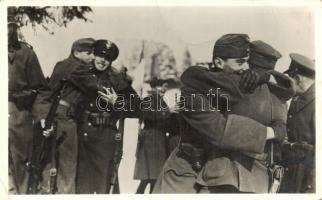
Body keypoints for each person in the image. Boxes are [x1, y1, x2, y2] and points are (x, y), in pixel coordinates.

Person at [153, 34, 294, 193]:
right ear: (219, 62)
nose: (246, 68)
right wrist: (272, 132)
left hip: (216, 172)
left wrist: (267, 76)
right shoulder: (193, 89)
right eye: (240, 62)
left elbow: (286, 87)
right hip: (186, 173)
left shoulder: (235, 84)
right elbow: (219, 129)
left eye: (248, 62)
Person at [68, 39, 141, 194]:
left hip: (105, 137)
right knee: (82, 185)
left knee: (103, 186)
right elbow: (86, 84)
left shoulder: (117, 79)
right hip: (84, 135)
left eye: (108, 58)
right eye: (100, 56)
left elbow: (137, 107)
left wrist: (117, 102)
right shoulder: (81, 72)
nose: (103, 61)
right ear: (94, 55)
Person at [33, 38, 95, 194]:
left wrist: (43, 117)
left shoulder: (61, 65)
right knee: (68, 165)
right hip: (67, 119)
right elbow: (96, 87)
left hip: (54, 116)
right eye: (89, 53)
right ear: (76, 52)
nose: (93, 57)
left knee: (50, 163)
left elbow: (47, 93)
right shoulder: (79, 68)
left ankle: (45, 193)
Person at [8, 12, 49, 194]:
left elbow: (41, 88)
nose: (7, 30)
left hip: (18, 113)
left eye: (10, 25)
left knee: (21, 162)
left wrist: (40, 117)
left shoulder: (26, 53)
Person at [281, 53, 315, 193]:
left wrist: (312, 186)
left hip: (307, 175)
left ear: (297, 78)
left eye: (290, 80)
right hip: (294, 171)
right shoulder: (298, 99)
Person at [133, 78, 171, 194]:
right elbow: (151, 115)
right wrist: (168, 112)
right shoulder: (148, 100)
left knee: (154, 176)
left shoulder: (161, 101)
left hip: (159, 139)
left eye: (165, 87)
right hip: (150, 139)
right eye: (161, 86)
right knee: (148, 176)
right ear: (154, 88)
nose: (164, 89)